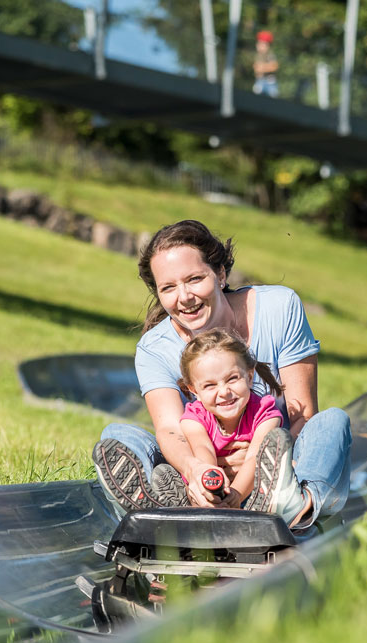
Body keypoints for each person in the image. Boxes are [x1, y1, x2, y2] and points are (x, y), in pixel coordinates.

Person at [92, 220, 351, 530]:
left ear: (221, 275)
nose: (184, 296)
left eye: (195, 279)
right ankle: (166, 507)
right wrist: (196, 469)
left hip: (278, 458)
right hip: (202, 467)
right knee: (117, 435)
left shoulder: (279, 308)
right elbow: (173, 431)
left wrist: (262, 459)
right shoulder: (154, 348)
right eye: (169, 287)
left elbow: (303, 413)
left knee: (332, 422)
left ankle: (297, 504)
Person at [145, 329, 288, 513]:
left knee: (283, 466)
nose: (224, 391)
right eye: (210, 385)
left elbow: (255, 457)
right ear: (194, 390)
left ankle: (260, 505)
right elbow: (203, 451)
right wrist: (212, 488)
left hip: (250, 489)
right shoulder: (194, 418)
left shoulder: (265, 412)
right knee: (183, 477)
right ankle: (191, 499)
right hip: (211, 488)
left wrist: (235, 495)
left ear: (250, 377)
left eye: (232, 379)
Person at [252, 31, 279, 97]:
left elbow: (274, 66)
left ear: (267, 46)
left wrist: (263, 68)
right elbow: (256, 68)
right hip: (260, 81)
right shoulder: (258, 56)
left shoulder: (270, 55)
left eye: (262, 44)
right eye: (259, 43)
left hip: (270, 83)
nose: (259, 46)